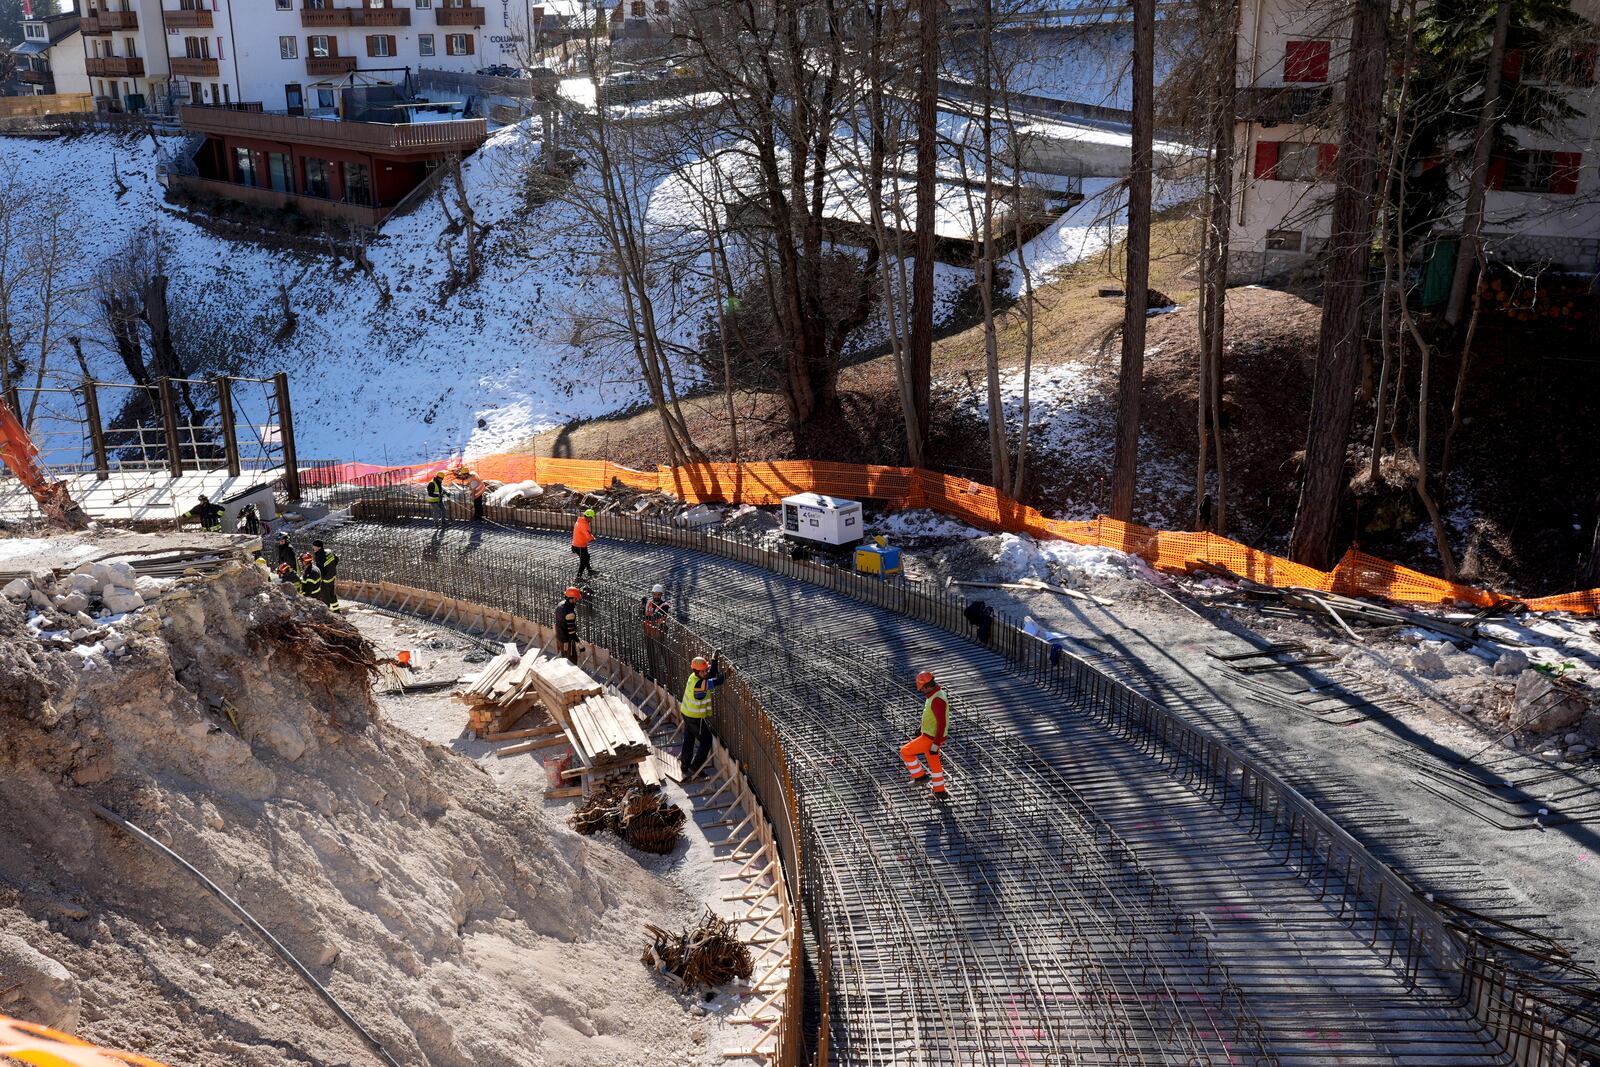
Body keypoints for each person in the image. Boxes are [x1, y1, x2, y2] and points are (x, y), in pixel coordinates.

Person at [900, 670, 949, 796]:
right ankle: (940, 791)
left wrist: (936, 744)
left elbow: (941, 723)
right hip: (930, 735)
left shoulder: (937, 700)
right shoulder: (936, 694)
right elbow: (931, 716)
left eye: (922, 688)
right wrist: (920, 728)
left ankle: (920, 777)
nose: (921, 690)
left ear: (928, 686)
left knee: (905, 751)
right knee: (934, 763)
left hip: (931, 738)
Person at [679, 653, 724, 780]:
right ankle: (695, 768)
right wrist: (729, 672)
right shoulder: (700, 684)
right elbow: (718, 680)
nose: (706, 672)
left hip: (686, 713)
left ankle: (685, 766)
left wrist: (714, 660)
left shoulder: (694, 677)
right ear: (698, 671)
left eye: (706, 669)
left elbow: (712, 674)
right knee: (706, 740)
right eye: (704, 670)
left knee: (689, 739)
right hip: (694, 717)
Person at [641, 583, 672, 681]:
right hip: (648, 631)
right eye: (655, 594)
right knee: (650, 652)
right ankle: (653, 671)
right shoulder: (649, 603)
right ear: (652, 594)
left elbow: (656, 616)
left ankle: (669, 670)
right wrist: (643, 604)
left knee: (662, 652)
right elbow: (642, 611)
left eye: (659, 595)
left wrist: (646, 617)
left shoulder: (665, 605)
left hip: (659, 633)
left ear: (661, 595)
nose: (657, 596)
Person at [312, 539, 340, 612]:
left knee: (325, 596)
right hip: (332, 577)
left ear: (319, 547)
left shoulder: (319, 556)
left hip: (325, 580)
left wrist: (319, 579)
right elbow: (336, 559)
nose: (313, 547)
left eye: (314, 546)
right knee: (332, 594)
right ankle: (337, 611)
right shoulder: (329, 552)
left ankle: (327, 613)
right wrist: (332, 569)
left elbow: (320, 569)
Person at [555, 586, 581, 662]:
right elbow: (571, 632)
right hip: (567, 640)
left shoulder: (560, 605)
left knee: (564, 657)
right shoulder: (570, 613)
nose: (577, 600)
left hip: (559, 635)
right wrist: (579, 643)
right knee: (572, 660)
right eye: (576, 599)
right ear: (571, 599)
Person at [571, 507, 595, 579]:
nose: (591, 520)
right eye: (591, 518)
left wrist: (591, 537)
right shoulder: (584, 524)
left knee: (586, 558)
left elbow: (585, 533)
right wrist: (592, 538)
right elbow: (587, 535)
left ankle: (589, 570)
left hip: (578, 544)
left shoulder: (580, 521)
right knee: (584, 561)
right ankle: (578, 577)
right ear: (588, 517)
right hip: (580, 546)